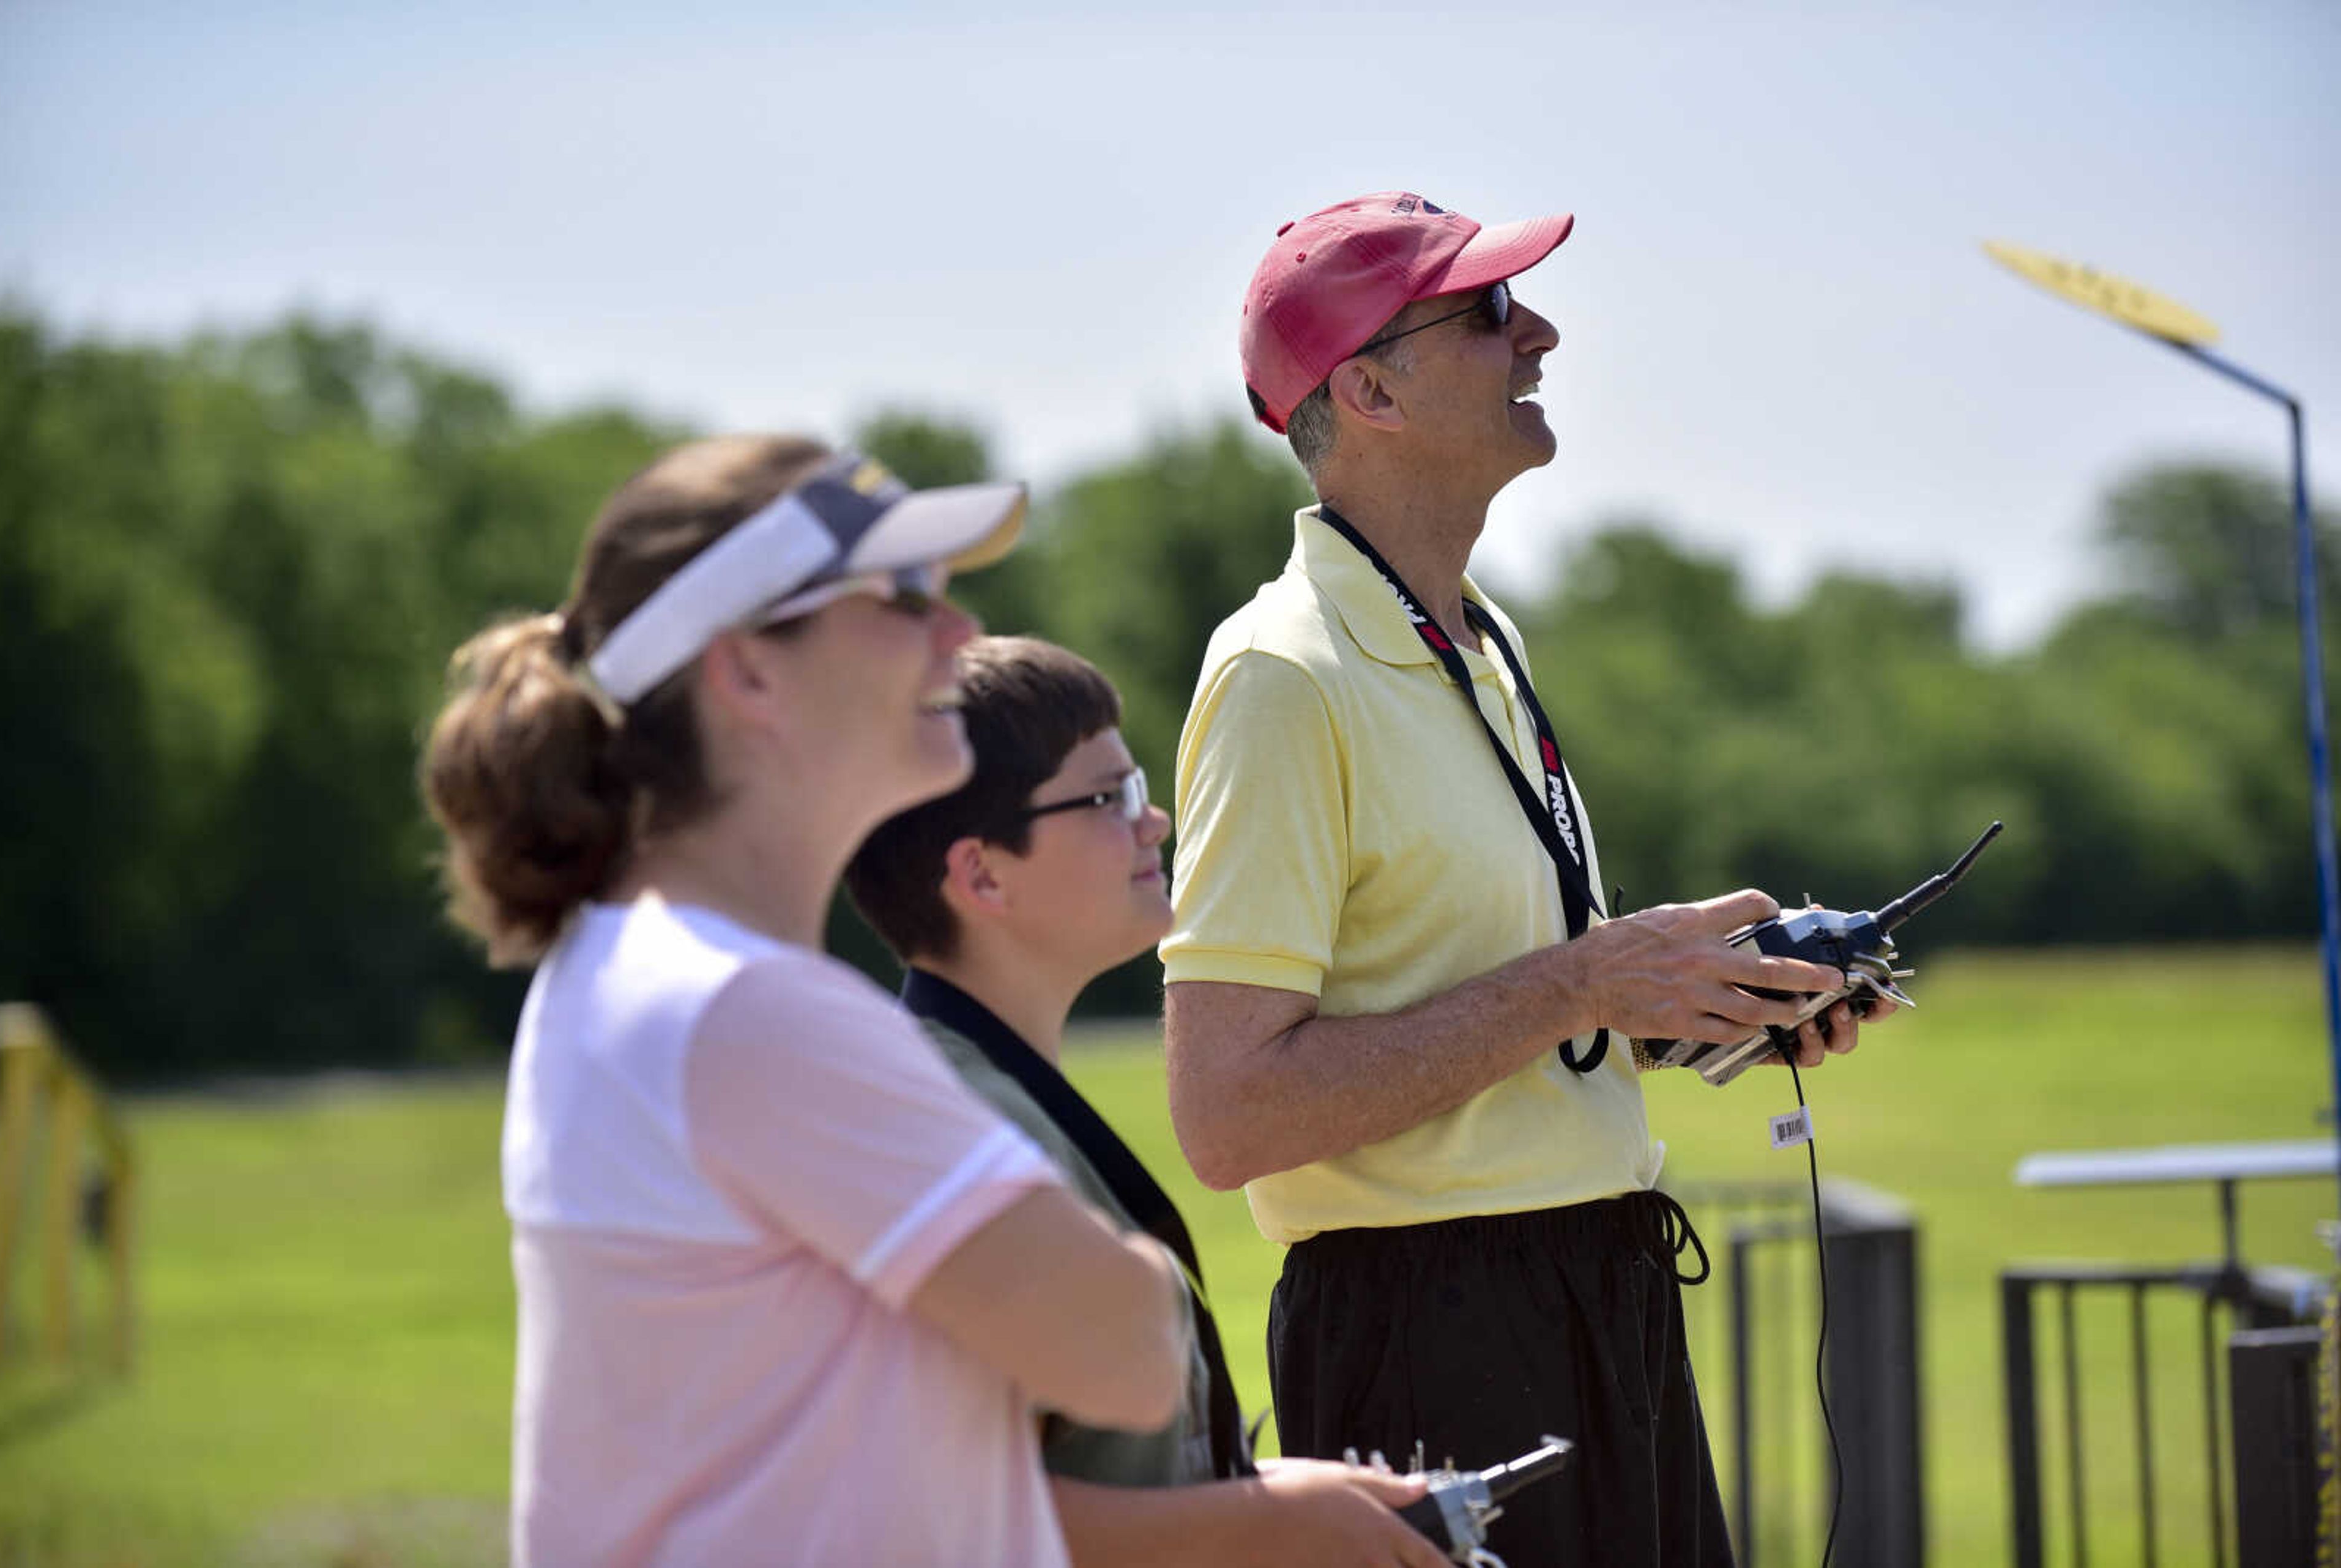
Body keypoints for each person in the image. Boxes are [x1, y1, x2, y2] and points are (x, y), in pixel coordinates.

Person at [1161, 192, 1886, 1566]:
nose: (1540, 333)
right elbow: (1228, 1110)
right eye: (1490, 312)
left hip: (1592, 1293)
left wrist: (1697, 1004)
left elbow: (1495, 1013)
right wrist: (1581, 980)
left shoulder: (1477, 636)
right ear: (1367, 386)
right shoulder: (1278, 676)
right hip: (1432, 1340)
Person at [420, 436, 1191, 1568]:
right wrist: (1145, 1277)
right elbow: (1130, 1356)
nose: (958, 632)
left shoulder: (634, 971)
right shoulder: (745, 1011)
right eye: (900, 596)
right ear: (747, 672)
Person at [843, 634, 1446, 1568]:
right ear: (981, 875)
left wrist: (1274, 1492)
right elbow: (929, 1519)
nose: (1154, 821)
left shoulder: (974, 1090)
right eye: (1107, 798)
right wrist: (1267, 1524)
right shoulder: (942, 1133)